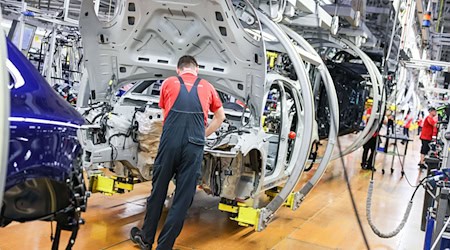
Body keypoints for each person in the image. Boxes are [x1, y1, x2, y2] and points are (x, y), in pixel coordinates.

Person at [130, 55, 225, 250]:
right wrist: (202, 134)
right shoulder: (208, 86)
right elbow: (220, 117)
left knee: (158, 191)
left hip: (170, 142)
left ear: (178, 69)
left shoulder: (169, 83)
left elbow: (165, 113)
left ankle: (146, 239)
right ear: (196, 69)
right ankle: (164, 246)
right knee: (182, 198)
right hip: (194, 145)